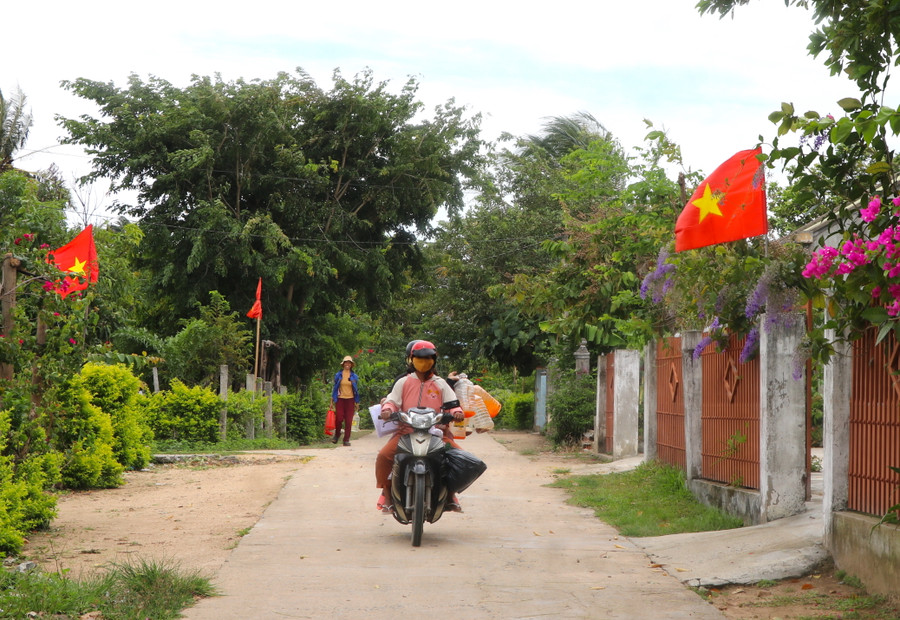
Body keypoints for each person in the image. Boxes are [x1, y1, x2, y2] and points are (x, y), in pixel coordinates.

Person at [375, 340, 465, 512]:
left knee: (459, 458)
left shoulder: (441, 383)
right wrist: (387, 410)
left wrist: (457, 412)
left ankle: (451, 494)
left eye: (428, 358)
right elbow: (392, 401)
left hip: (436, 433)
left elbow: (453, 404)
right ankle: (387, 494)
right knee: (384, 456)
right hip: (406, 432)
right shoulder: (403, 382)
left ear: (434, 360)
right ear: (412, 359)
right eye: (420, 358)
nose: (424, 361)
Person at [331, 355, 360, 446]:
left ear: (351, 365)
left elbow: (356, 389)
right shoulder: (338, 375)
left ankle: (346, 439)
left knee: (348, 420)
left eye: (349, 363)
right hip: (340, 399)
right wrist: (332, 400)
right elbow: (335, 388)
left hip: (350, 400)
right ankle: (337, 435)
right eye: (346, 362)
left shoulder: (354, 376)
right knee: (339, 418)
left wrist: (357, 402)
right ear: (343, 364)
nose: (347, 364)